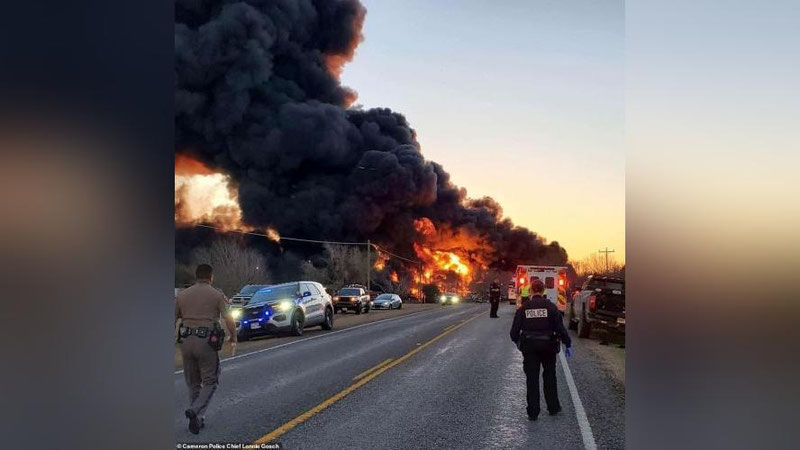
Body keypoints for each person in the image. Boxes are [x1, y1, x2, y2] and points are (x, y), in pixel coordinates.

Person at [175, 263, 238, 434]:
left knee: (193, 383)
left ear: (196, 276)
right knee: (211, 381)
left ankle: (197, 418)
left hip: (186, 342)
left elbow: (173, 318)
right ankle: (195, 410)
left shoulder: (182, 295)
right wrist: (233, 336)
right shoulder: (217, 295)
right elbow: (228, 318)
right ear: (211, 277)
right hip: (206, 342)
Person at [510, 279, 573, 421]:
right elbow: (560, 328)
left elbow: (514, 332)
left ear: (531, 290)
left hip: (530, 346)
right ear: (544, 290)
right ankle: (553, 407)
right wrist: (567, 343)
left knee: (532, 378)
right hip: (548, 346)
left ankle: (533, 412)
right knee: (550, 375)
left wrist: (519, 343)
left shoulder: (524, 308)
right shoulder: (551, 307)